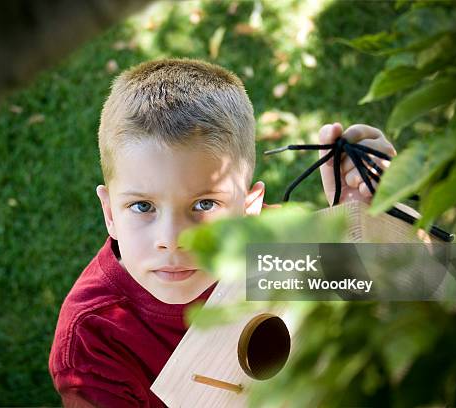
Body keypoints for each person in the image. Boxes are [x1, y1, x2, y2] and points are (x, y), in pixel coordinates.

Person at [48, 58, 395, 407]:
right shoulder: (92, 343)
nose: (172, 239)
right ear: (110, 213)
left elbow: (434, 279)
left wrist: (365, 219)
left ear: (248, 210)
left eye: (203, 205)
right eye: (143, 206)